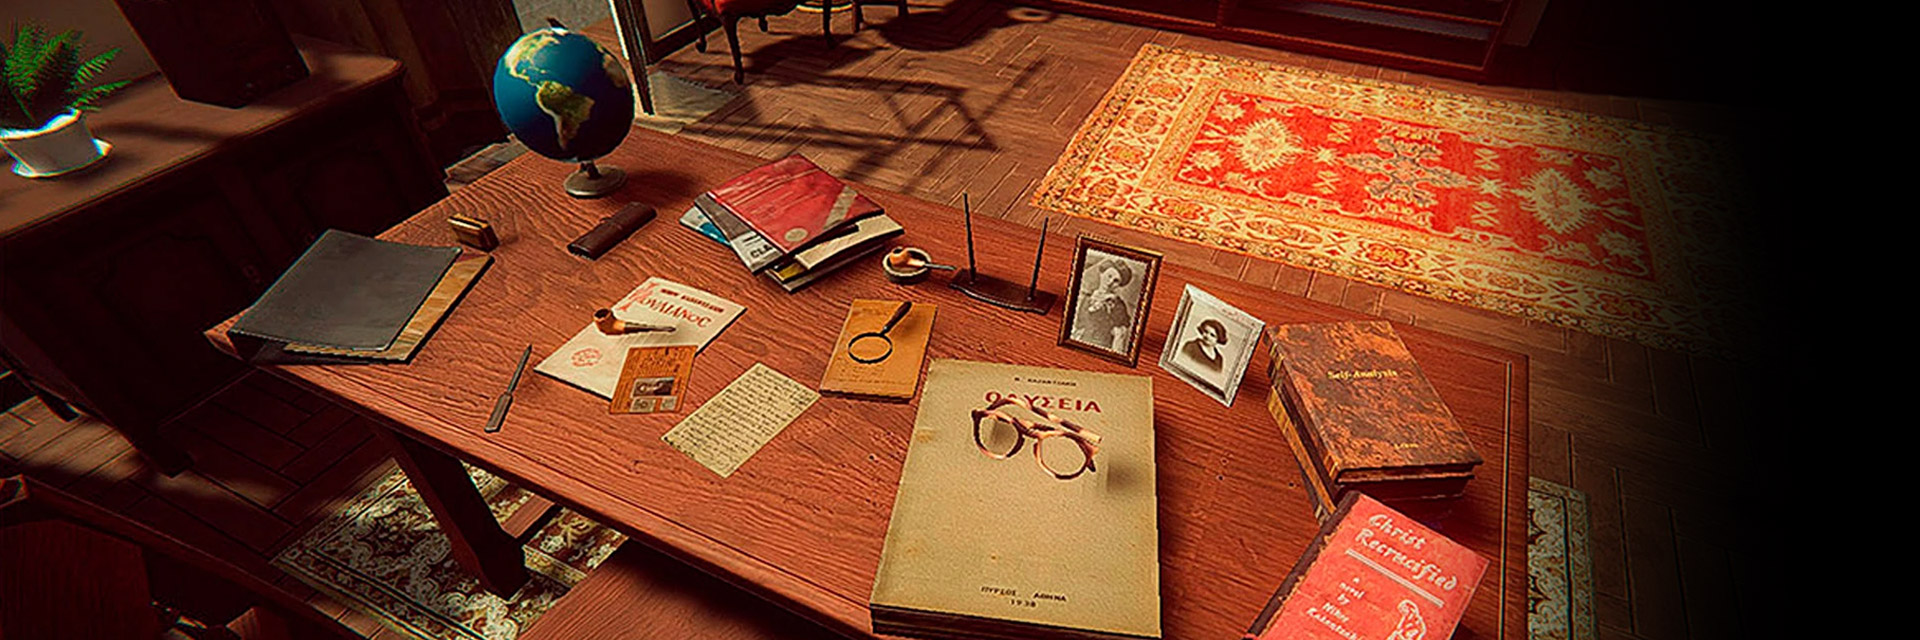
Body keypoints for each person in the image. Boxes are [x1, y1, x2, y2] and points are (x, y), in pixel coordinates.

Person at [1074, 258, 1135, 352]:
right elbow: (1079, 326)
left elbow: (1120, 334)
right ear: (1102, 273)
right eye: (1109, 276)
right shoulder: (1087, 299)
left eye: (1116, 281)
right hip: (1082, 342)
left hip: (1102, 347)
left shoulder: (1117, 305)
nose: (1110, 282)